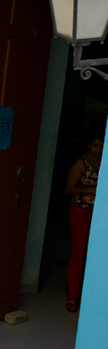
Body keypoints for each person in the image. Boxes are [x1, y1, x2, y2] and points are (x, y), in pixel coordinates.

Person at [64, 130, 104, 312]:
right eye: (95, 145)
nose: (99, 149)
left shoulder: (105, 162)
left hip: (100, 214)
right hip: (81, 211)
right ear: (89, 144)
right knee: (79, 252)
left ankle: (91, 295)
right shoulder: (82, 163)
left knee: (97, 255)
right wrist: (90, 190)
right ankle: (72, 295)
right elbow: (68, 188)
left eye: (102, 145)